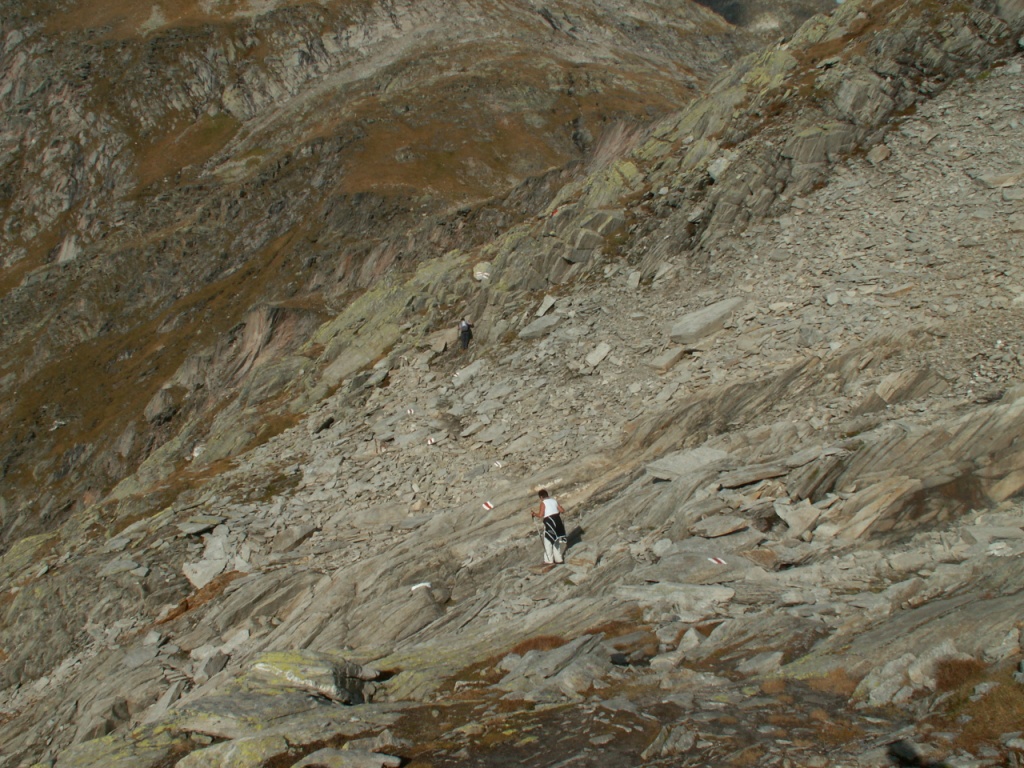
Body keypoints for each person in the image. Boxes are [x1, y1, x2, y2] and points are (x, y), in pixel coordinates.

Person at [532, 489, 566, 564]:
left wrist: (534, 514)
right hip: (558, 521)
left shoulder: (543, 503)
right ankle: (559, 559)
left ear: (541, 497)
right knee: (556, 540)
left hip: (550, 522)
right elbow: (562, 510)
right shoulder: (554, 501)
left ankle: (549, 560)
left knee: (548, 541)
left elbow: (540, 515)